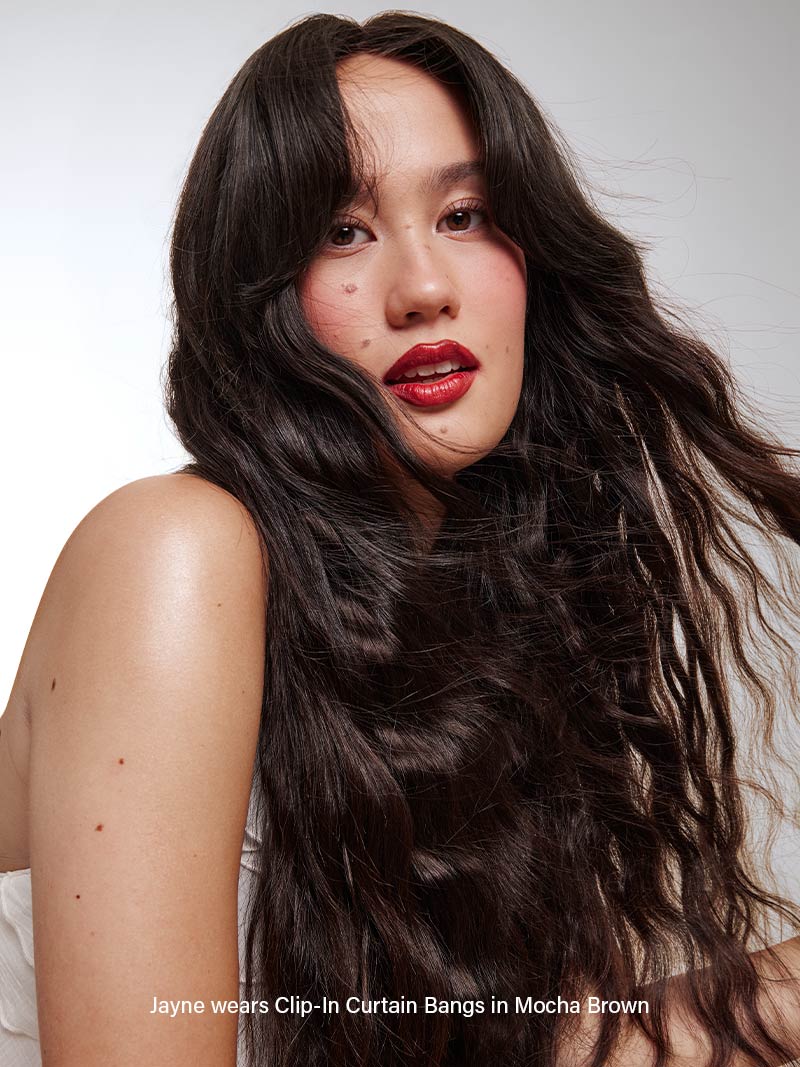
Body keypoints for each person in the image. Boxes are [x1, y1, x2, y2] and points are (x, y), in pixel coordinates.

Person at [1, 10, 799, 1067]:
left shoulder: (474, 631)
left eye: (466, 215)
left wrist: (761, 1005)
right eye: (342, 231)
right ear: (256, 295)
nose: (424, 287)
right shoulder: (173, 552)